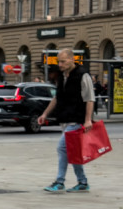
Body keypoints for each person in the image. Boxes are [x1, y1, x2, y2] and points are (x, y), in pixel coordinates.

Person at [38, 51, 96, 193]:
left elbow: (89, 98)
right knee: (72, 150)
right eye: (59, 61)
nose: (60, 64)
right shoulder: (62, 76)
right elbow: (57, 98)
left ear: (72, 59)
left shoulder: (83, 75)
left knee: (62, 147)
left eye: (63, 61)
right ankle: (82, 182)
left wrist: (88, 120)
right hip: (65, 119)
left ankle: (60, 182)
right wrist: (45, 114)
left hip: (77, 119)